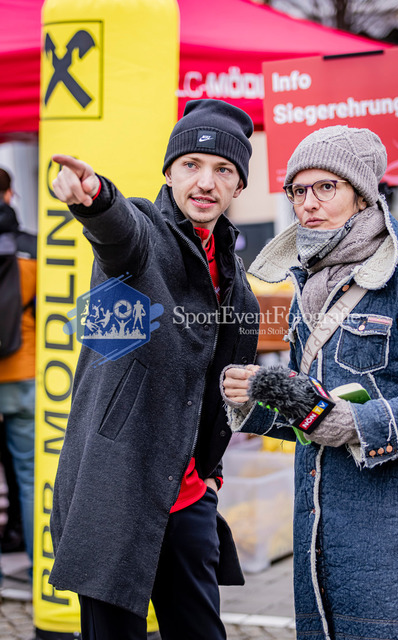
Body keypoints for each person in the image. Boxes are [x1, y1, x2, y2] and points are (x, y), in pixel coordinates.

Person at [49, 99, 260, 640]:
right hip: (115, 487)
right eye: (191, 164)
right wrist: (96, 199)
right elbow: (119, 233)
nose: (205, 182)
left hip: (188, 497)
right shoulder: (147, 233)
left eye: (224, 170)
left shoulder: (235, 274)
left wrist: (210, 473)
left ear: (239, 186)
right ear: (169, 173)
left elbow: (221, 385)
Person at [222, 125, 398, 640]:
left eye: (326, 187)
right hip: (316, 536)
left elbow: (343, 419)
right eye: (298, 190)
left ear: (362, 194)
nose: (308, 203)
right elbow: (312, 416)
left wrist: (361, 423)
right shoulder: (306, 285)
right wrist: (257, 398)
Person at [0, 168, 37, 579]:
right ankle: (36, 564)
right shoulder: (32, 249)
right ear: (10, 195)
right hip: (23, 372)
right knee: (30, 476)